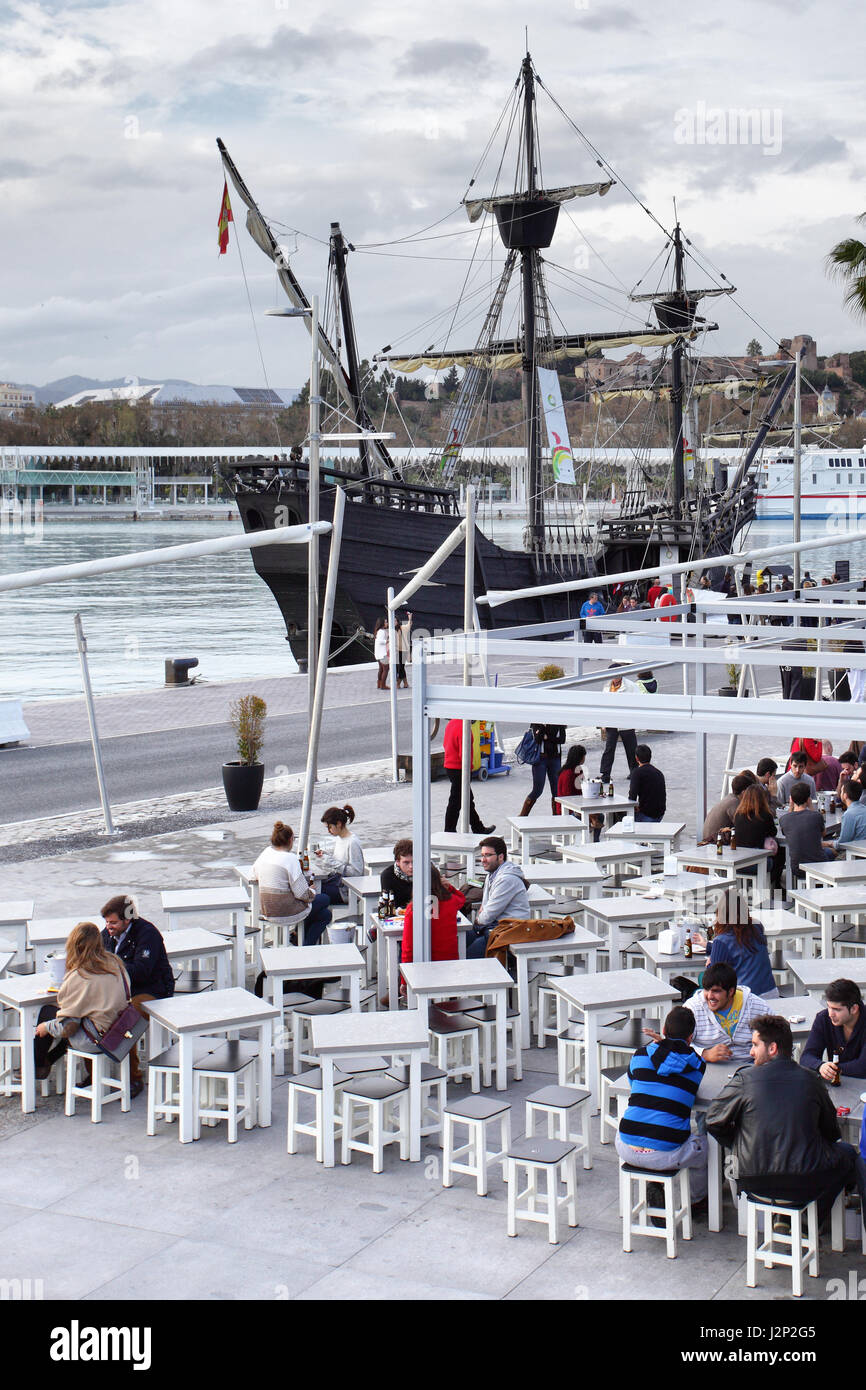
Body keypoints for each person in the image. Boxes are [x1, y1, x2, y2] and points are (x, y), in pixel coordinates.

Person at [707, 1015, 866, 1230]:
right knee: (848, 1155)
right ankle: (809, 1221)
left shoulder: (744, 1079)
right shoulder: (812, 1080)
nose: (751, 1052)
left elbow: (713, 1120)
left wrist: (739, 1142)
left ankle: (788, 1218)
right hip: (804, 1180)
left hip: (751, 1177)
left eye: (754, 1045)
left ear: (772, 1048)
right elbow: (831, 1133)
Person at [615, 1005, 708, 1202]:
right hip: (666, 1153)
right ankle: (696, 1200)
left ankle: (655, 1183)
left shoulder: (640, 1055)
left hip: (626, 1146)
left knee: (645, 1121)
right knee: (705, 1146)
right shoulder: (697, 1065)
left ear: (663, 1031)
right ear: (691, 1037)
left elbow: (634, 1084)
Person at [34, 922, 130, 1081]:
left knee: (47, 1013)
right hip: (121, 1031)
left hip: (98, 1039)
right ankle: (46, 1061)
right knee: (75, 1016)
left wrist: (46, 1027)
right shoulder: (115, 962)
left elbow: (67, 1027)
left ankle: (37, 1065)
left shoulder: (81, 975)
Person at [100, 894, 175, 1097]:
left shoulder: (147, 933)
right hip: (120, 991)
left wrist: (110, 969)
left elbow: (142, 971)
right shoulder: (106, 934)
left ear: (128, 919)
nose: (109, 926)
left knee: (127, 1016)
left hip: (152, 990)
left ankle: (133, 1077)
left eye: (113, 922)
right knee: (92, 1010)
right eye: (107, 922)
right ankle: (95, 1073)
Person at [253, 820, 331, 944]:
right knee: (324, 899)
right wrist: (312, 890)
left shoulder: (265, 853)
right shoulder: (290, 858)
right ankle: (304, 946)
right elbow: (302, 894)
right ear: (290, 840)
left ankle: (301, 941)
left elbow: (254, 874)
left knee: (325, 915)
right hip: (286, 912)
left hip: (267, 909)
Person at [681, 961, 771, 1062]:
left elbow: (777, 1040)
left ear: (731, 991)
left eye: (716, 991)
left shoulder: (757, 1006)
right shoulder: (692, 1009)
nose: (710, 996)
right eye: (706, 990)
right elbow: (677, 1046)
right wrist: (704, 1054)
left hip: (750, 1068)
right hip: (708, 1070)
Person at [706, 888, 778, 999]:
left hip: (746, 999)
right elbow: (741, 949)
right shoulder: (757, 926)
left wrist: (709, 964)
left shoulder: (721, 940)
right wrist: (707, 946)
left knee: (705, 983)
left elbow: (715, 977)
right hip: (771, 991)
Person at [465, 837, 529, 959]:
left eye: (488, 855)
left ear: (501, 857)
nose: (483, 860)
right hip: (494, 927)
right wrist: (480, 919)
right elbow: (485, 907)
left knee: (468, 955)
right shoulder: (492, 874)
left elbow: (488, 913)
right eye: (482, 855)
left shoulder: (507, 879)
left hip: (510, 932)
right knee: (459, 941)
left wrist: (479, 920)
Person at [800, 978, 866, 1080]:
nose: (831, 1014)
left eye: (837, 1009)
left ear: (854, 1009)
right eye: (829, 1007)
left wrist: (832, 1069)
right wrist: (821, 1066)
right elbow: (806, 1057)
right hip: (837, 1084)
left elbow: (862, 1067)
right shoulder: (823, 1018)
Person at [400, 864, 464, 965]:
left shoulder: (414, 909)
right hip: (450, 961)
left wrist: (405, 975)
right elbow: (461, 898)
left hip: (422, 964)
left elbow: (408, 947)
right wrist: (449, 887)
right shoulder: (451, 901)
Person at [442, 718, 494, 835]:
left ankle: (478, 828)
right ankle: (449, 831)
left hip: (450, 765)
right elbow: (464, 753)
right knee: (457, 801)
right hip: (460, 768)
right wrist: (469, 770)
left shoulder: (452, 723)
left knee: (466, 800)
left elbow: (445, 744)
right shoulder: (464, 728)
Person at [779, 781, 836, 881]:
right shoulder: (816, 816)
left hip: (797, 868)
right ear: (808, 799)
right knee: (831, 852)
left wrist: (791, 807)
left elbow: (785, 831)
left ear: (791, 799)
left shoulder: (784, 819)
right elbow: (823, 834)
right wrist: (811, 807)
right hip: (818, 866)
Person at [732, 782, 784, 890]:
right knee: (781, 853)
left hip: (738, 862)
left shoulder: (738, 815)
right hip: (756, 862)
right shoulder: (764, 815)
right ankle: (774, 886)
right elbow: (773, 832)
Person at [314, 804, 365, 905]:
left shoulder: (352, 842)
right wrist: (325, 854)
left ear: (339, 824)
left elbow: (357, 873)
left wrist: (332, 863)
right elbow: (340, 860)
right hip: (337, 883)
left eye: (330, 827)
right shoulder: (339, 839)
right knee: (311, 887)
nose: (328, 831)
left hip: (347, 891)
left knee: (313, 893)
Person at [518, 723, 567, 818]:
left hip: (555, 758)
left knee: (556, 791)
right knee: (537, 790)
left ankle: (557, 817)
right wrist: (543, 729)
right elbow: (538, 738)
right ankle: (522, 816)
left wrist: (547, 737)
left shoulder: (559, 723)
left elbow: (562, 739)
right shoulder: (537, 723)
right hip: (540, 759)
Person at [599, 666, 639, 781]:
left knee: (631, 748)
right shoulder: (607, 686)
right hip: (611, 722)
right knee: (609, 749)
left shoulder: (631, 686)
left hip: (626, 721)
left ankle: (634, 772)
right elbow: (602, 705)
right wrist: (603, 723)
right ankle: (605, 774)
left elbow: (638, 702)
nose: (615, 677)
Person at [701, 772, 754, 843]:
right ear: (744, 792)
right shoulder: (734, 803)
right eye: (751, 792)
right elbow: (744, 826)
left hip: (711, 840)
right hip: (713, 844)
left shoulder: (729, 798)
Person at [628, 743, 666, 822]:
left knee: (620, 817)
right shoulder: (658, 772)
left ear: (637, 758)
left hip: (647, 814)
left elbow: (632, 797)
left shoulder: (637, 773)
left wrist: (636, 807)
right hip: (660, 814)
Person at [380, 838, 413, 911]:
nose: (411, 866)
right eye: (406, 863)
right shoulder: (387, 876)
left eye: (414, 862)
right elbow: (388, 905)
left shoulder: (427, 873)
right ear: (398, 862)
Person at [555, 743, 586, 815]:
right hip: (567, 809)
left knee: (599, 816)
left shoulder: (578, 770)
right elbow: (568, 796)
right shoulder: (568, 773)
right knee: (595, 816)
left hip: (577, 803)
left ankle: (593, 822)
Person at [837, 778, 866, 845]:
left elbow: (843, 843)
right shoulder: (864, 808)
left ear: (845, 795)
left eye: (841, 791)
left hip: (856, 851)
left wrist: (828, 844)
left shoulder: (849, 814)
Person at [394, 609, 412, 689]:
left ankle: (398, 684)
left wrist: (410, 618)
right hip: (397, 651)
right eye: (393, 621)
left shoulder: (402, 628)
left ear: (398, 621)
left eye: (395, 621)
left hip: (404, 650)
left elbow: (409, 626)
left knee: (400, 668)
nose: (394, 622)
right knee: (400, 667)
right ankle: (406, 683)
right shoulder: (391, 630)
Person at [373, 615, 389, 690]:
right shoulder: (382, 632)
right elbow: (380, 641)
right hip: (383, 654)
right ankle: (383, 685)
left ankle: (379, 683)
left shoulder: (378, 631)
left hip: (378, 654)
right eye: (386, 622)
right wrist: (388, 641)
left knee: (381, 669)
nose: (387, 623)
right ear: (382, 623)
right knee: (386, 669)